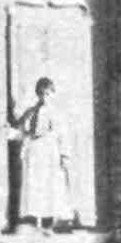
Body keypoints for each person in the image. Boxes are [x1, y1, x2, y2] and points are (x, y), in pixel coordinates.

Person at [12, 78, 73, 234]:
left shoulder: (57, 113)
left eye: (47, 94)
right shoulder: (31, 112)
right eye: (41, 94)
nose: (44, 97)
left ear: (52, 94)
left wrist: (64, 155)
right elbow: (21, 130)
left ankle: (50, 221)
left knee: (50, 185)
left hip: (50, 151)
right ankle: (35, 220)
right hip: (34, 151)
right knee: (35, 184)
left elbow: (63, 134)